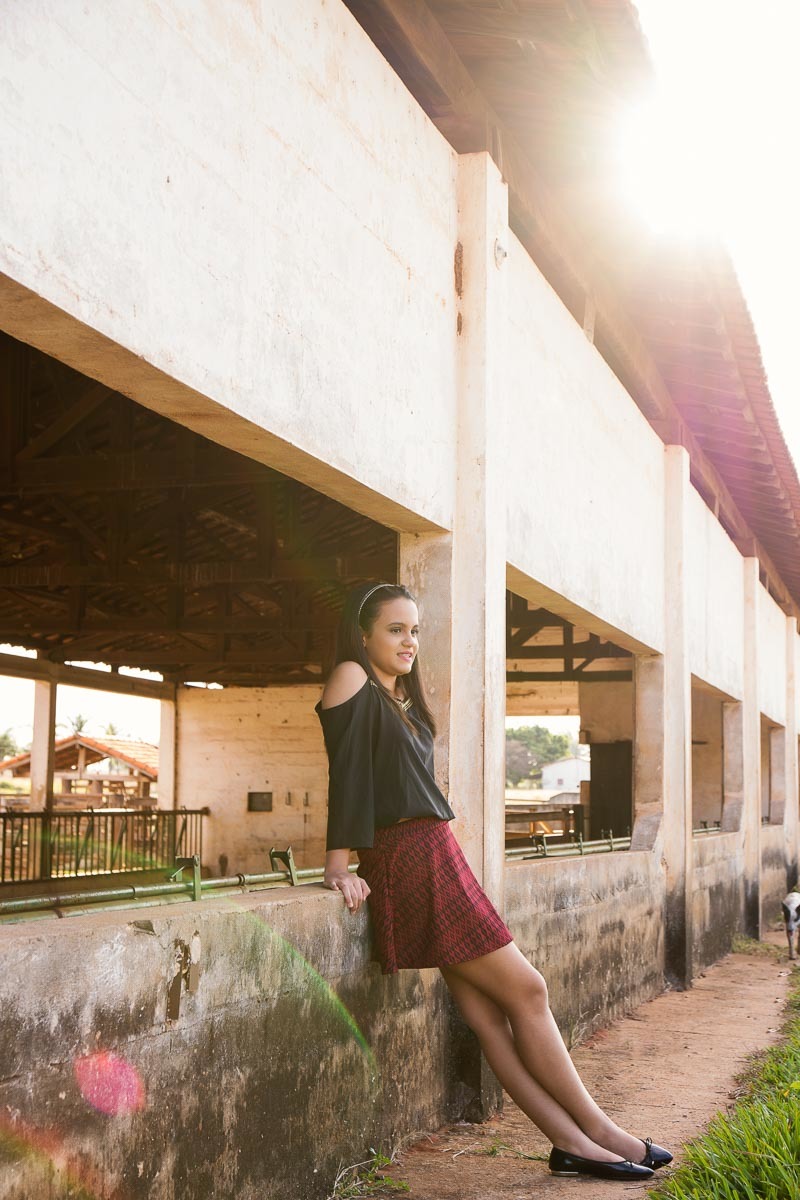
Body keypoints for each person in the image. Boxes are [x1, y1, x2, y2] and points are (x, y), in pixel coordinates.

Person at [315, 581, 672, 1182]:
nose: (409, 642)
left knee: (489, 1018)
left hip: (435, 852)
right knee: (528, 990)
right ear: (362, 633)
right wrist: (337, 863)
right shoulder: (352, 677)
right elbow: (346, 773)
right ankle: (603, 1134)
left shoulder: (401, 697)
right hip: (410, 858)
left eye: (415, 631)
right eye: (395, 630)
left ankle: (570, 1143)